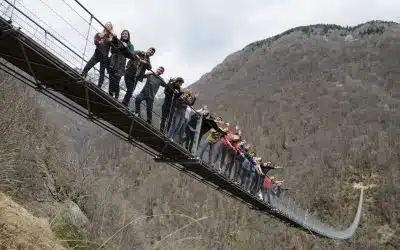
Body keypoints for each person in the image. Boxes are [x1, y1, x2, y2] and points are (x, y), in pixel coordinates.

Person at [81, 22, 114, 87]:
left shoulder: (111, 37)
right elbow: (95, 42)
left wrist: (111, 39)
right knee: (89, 64)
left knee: (102, 71)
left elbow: (113, 47)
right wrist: (99, 42)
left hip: (104, 56)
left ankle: (99, 85)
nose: (107, 26)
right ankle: (83, 75)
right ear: (104, 26)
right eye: (106, 25)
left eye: (109, 26)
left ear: (111, 28)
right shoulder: (99, 34)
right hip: (97, 53)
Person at [108, 30, 134, 99]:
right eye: (123, 34)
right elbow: (112, 50)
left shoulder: (130, 45)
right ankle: (110, 95)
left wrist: (126, 48)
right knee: (111, 80)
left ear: (128, 36)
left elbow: (132, 56)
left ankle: (116, 97)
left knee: (116, 82)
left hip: (121, 64)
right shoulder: (118, 41)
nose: (125, 35)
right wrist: (114, 39)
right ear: (121, 35)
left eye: (126, 34)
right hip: (113, 62)